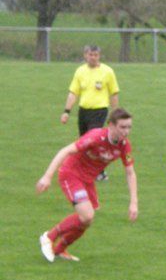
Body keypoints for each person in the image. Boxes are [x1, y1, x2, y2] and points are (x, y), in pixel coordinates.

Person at [37, 108, 138, 262]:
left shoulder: (124, 145)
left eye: (129, 127)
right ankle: (49, 237)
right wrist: (47, 176)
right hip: (71, 174)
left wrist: (133, 202)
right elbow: (65, 151)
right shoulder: (95, 137)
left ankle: (59, 250)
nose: (126, 131)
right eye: (122, 127)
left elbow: (130, 173)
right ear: (111, 125)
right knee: (87, 215)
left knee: (86, 221)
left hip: (87, 180)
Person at [61, 44, 120, 181]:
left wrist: (115, 114)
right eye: (90, 55)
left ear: (99, 56)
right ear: (85, 55)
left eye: (96, 55)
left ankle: (100, 172)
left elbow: (114, 94)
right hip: (83, 111)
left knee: (93, 141)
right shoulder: (80, 71)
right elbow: (73, 93)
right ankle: (84, 169)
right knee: (83, 142)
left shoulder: (107, 72)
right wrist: (66, 111)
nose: (93, 57)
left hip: (99, 111)